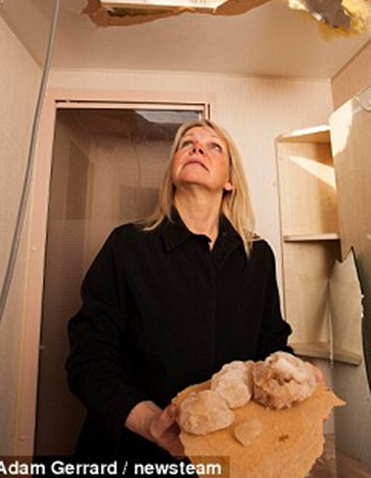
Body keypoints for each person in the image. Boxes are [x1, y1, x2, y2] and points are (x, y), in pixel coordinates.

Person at [66, 119, 294, 464]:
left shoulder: (257, 256)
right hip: (130, 453)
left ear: (230, 180)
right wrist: (149, 423)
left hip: (227, 452)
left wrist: (294, 377)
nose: (197, 147)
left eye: (213, 146)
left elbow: (271, 347)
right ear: (173, 171)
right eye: (187, 143)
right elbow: (88, 360)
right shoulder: (126, 246)